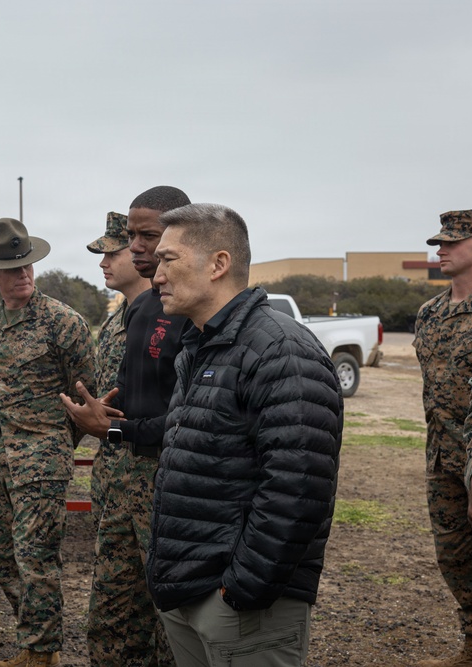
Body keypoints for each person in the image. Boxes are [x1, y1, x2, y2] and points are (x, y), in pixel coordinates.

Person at [146, 203, 342, 667]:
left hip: (240, 606)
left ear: (218, 264)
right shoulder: (200, 345)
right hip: (190, 592)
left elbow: (298, 488)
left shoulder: (281, 350)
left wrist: (243, 589)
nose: (156, 277)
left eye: (168, 259)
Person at [62, 186, 192, 667]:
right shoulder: (138, 310)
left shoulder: (196, 313)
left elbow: (190, 416)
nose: (135, 247)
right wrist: (102, 421)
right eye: (130, 238)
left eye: (146, 236)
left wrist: (113, 430)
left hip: (169, 483)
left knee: (171, 619)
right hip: (123, 478)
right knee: (112, 614)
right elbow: (131, 401)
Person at [0, 218, 97, 667]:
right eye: (12, 269)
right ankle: (32, 642)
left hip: (41, 461)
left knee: (36, 556)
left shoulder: (63, 323)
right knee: (2, 554)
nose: (22, 274)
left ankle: (41, 654)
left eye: (27, 265)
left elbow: (86, 396)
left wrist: (55, 444)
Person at [414, 210, 472, 667]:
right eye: (439, 243)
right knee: (454, 557)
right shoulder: (429, 313)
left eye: (451, 242)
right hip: (442, 458)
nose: (441, 250)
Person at [83, 211, 151, 528]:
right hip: (111, 474)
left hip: (149, 477)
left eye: (112, 254)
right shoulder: (112, 325)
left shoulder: (169, 319)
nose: (103, 263)